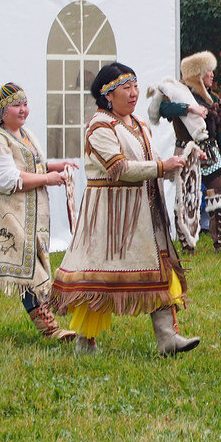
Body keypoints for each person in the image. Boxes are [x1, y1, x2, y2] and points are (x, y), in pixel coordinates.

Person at [50, 63, 197, 356]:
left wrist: (181, 159)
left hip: (145, 213)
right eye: (125, 88)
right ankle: (85, 341)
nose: (133, 93)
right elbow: (119, 168)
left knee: (160, 270)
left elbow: (152, 164)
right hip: (109, 218)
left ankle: (168, 338)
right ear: (108, 96)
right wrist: (160, 167)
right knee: (99, 279)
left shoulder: (140, 125)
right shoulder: (99, 126)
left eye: (135, 86)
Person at [0, 82, 77, 341]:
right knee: (22, 270)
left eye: (25, 104)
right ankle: (50, 329)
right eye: (16, 105)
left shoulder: (23, 134)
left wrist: (52, 165)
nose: (23, 109)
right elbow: (6, 180)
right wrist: (47, 178)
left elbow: (31, 164)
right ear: (1, 111)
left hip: (22, 215)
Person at [154, 50, 221, 252]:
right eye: (209, 71)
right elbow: (163, 110)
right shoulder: (175, 95)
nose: (212, 75)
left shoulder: (214, 98)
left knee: (217, 197)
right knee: (186, 198)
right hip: (186, 152)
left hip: (211, 152)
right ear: (197, 75)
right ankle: (186, 243)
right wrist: (189, 108)